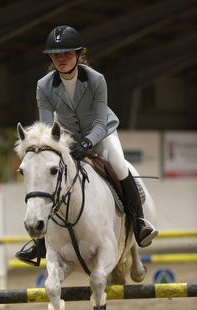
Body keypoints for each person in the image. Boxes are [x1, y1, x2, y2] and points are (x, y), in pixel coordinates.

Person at [16, 25, 157, 263]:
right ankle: (40, 243)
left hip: (102, 133)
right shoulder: (44, 85)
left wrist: (87, 142)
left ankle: (140, 222)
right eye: (56, 55)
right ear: (51, 57)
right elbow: (46, 127)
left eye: (66, 54)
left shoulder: (96, 80)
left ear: (78, 55)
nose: (61, 59)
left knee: (120, 165)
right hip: (66, 137)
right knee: (51, 176)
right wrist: (58, 144)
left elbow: (101, 122)